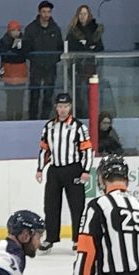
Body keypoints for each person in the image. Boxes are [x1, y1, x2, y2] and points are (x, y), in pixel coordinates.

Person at [35, 92, 92, 252]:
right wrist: (40, 168)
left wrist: (86, 170)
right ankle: (50, 238)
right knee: (51, 205)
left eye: (65, 106)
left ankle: (78, 239)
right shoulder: (49, 126)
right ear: (56, 107)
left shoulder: (79, 127)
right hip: (54, 170)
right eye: (60, 106)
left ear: (70, 107)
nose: (63, 109)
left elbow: (87, 150)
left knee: (77, 206)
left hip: (73, 169)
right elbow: (44, 149)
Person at [24, 0, 63, 121]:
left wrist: (54, 59)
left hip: (50, 66)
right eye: (44, 11)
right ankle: (33, 119)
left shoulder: (55, 29)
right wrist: (35, 59)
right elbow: (26, 48)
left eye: (48, 12)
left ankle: (45, 118)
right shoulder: (31, 29)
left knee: (48, 94)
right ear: (39, 12)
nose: (46, 14)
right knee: (34, 94)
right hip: (36, 66)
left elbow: (60, 47)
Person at [66, 4, 105, 115]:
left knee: (90, 91)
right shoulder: (73, 30)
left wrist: (89, 46)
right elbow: (69, 47)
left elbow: (100, 47)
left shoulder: (95, 30)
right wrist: (85, 46)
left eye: (85, 14)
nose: (82, 16)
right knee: (77, 91)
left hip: (90, 66)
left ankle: (91, 113)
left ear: (89, 15)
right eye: (80, 14)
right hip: (76, 66)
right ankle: (78, 113)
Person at [0, 20, 29, 120]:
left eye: (17, 30)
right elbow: (0, 50)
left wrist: (11, 53)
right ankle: (9, 117)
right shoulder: (4, 40)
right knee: (10, 98)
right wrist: (13, 51)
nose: (15, 32)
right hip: (9, 73)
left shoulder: (24, 40)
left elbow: (24, 53)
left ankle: (18, 117)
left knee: (19, 98)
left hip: (20, 73)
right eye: (13, 30)